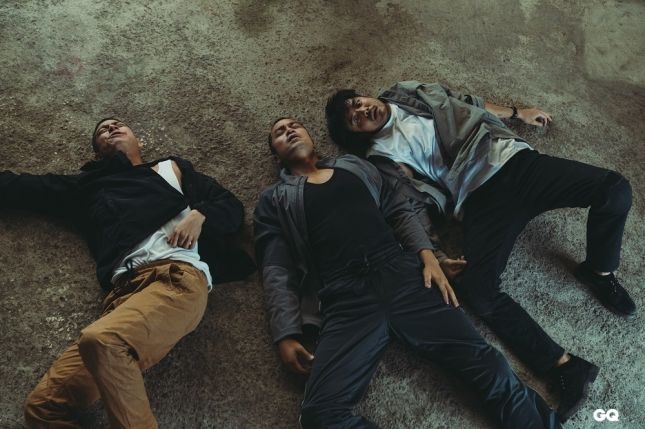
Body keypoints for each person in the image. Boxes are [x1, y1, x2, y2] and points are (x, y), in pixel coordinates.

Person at [325, 81, 635, 421]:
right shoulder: (380, 159)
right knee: (476, 288)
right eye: (354, 119)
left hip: (515, 161)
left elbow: (466, 101)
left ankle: (599, 271)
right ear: (357, 135)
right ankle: (565, 366)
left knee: (615, 189)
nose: (362, 110)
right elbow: (406, 210)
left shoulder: (408, 92)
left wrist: (517, 113)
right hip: (479, 201)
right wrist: (436, 256)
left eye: (357, 102)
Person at [254, 117, 560, 429]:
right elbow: (276, 268)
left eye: (295, 125)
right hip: (345, 299)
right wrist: (285, 334)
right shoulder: (274, 200)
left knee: (487, 364)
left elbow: (399, 210)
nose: (289, 130)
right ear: (276, 156)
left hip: (404, 276)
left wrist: (429, 257)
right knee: (320, 414)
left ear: (311, 138)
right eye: (280, 132)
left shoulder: (354, 166)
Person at [1, 118, 255, 428]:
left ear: (140, 142)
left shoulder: (170, 168)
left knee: (103, 341)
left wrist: (200, 214)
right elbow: (20, 187)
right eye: (102, 130)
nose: (110, 128)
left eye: (117, 124)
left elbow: (230, 206)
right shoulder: (86, 187)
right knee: (43, 408)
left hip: (175, 280)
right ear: (97, 153)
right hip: (121, 298)